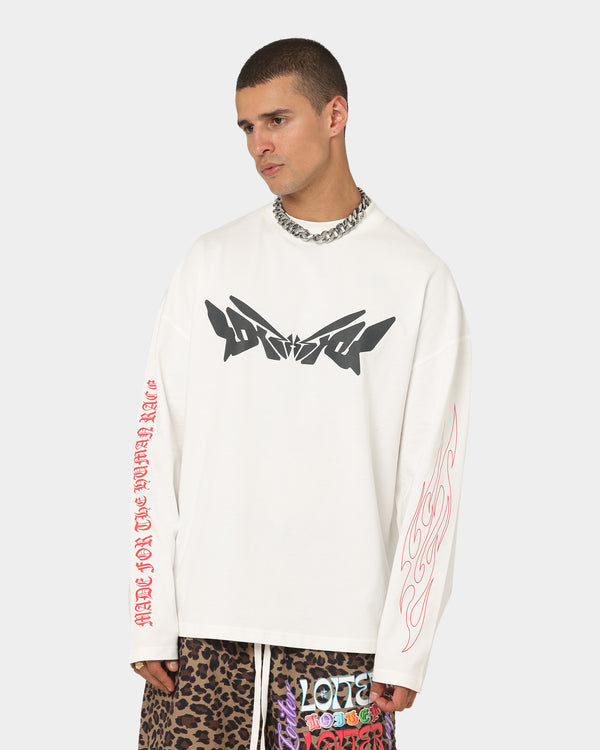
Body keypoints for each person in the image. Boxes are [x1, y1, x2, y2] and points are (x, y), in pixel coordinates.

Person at [129, 37, 471, 750]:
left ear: (335, 114)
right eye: (247, 127)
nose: (260, 144)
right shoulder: (210, 263)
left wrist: (405, 645)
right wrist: (148, 613)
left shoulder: (416, 279)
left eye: (278, 120)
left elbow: (432, 477)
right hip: (200, 639)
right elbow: (155, 445)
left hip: (344, 644)